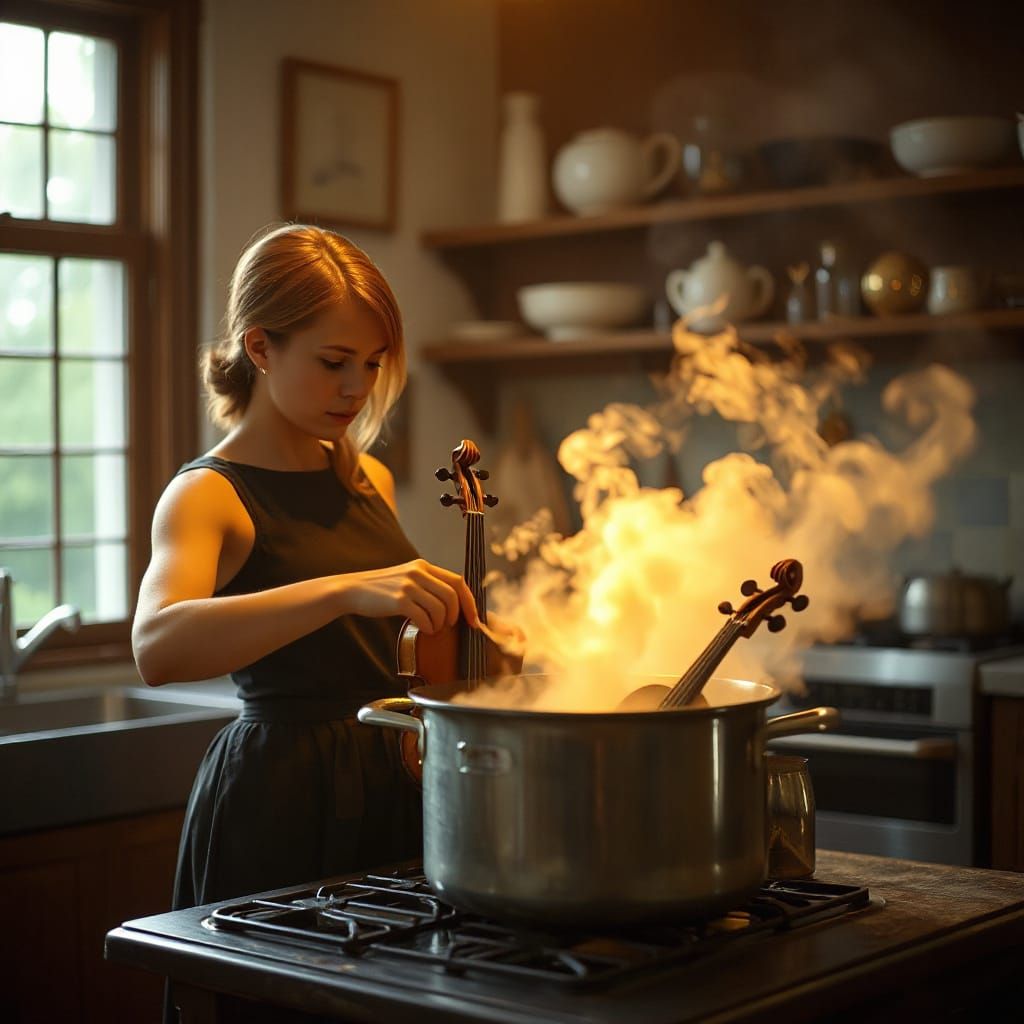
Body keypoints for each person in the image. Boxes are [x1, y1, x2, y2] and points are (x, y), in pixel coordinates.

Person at [131, 222, 482, 920]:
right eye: (334, 361)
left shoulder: (366, 477)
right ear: (260, 346)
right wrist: (343, 590)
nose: (357, 388)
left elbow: (384, 650)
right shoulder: (208, 493)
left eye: (374, 363)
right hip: (280, 795)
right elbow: (156, 646)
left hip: (395, 777)